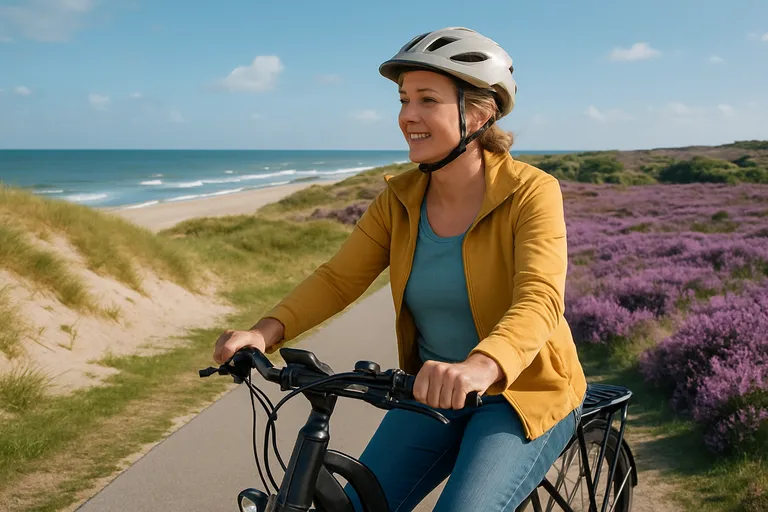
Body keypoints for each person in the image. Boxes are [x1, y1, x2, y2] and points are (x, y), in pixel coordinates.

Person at [213, 26, 587, 512]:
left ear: (480, 111)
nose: (408, 115)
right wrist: (265, 332)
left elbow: (539, 298)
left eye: (427, 99)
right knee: (356, 507)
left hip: (524, 393)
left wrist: (481, 366)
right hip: (430, 391)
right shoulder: (399, 199)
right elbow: (338, 278)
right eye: (404, 99)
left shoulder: (531, 192)